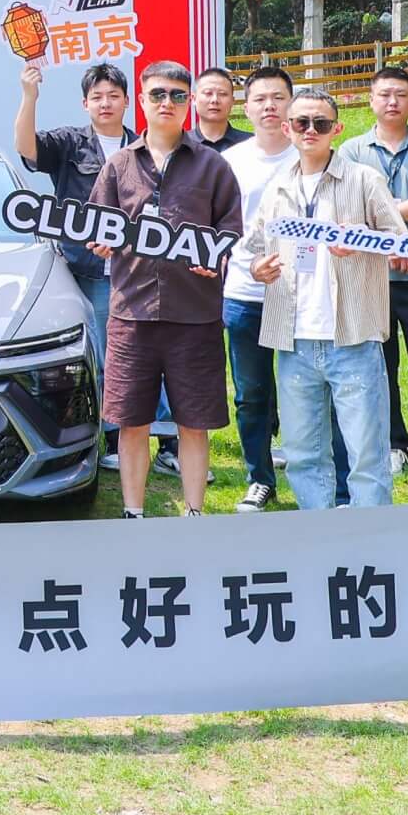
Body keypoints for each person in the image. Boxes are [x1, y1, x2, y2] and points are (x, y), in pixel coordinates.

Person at [237, 87, 408, 510]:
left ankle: (372, 535)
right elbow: (253, 247)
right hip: (293, 338)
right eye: (301, 122)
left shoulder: (364, 179)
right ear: (287, 128)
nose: (310, 130)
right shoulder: (278, 186)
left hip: (353, 336)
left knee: (366, 454)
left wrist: (362, 240)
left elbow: (399, 243)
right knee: (302, 454)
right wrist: (258, 267)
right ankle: (319, 532)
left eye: (320, 123)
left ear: (337, 129)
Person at [87, 61, 242, 517]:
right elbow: (98, 224)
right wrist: (99, 242)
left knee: (193, 421)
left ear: (188, 102)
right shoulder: (118, 165)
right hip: (131, 315)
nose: (166, 103)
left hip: (195, 315)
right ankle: (133, 513)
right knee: (131, 422)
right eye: (157, 94)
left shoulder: (213, 166)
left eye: (177, 95)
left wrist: (218, 258)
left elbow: (230, 230)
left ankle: (194, 514)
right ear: (142, 100)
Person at [15, 60, 138, 462]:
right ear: (85, 103)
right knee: (100, 354)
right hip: (87, 271)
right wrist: (30, 96)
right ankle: (110, 438)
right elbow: (27, 149)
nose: (106, 103)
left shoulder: (143, 147)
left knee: (135, 354)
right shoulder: (70, 143)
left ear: (126, 101)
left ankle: (146, 436)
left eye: (113, 96)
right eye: (97, 97)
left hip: (135, 272)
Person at [344, 65, 408, 483]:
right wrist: (392, 239)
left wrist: (391, 231)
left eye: (401, 94)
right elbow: (350, 206)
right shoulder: (350, 151)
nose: (392, 102)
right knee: (380, 366)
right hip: (370, 276)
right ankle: (393, 444)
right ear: (371, 100)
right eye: (384, 94)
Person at [217, 65, 299, 511]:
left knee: (305, 388)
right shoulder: (230, 161)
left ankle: (315, 475)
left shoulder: (309, 153)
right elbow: (218, 225)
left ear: (291, 103)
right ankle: (259, 477)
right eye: (260, 99)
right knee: (251, 393)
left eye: (278, 97)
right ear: (245, 108)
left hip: (302, 295)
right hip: (245, 293)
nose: (270, 106)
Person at [191, 66, 248, 151]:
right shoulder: (179, 145)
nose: (215, 100)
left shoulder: (250, 144)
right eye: (208, 93)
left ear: (232, 101)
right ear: (194, 99)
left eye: (222, 94)